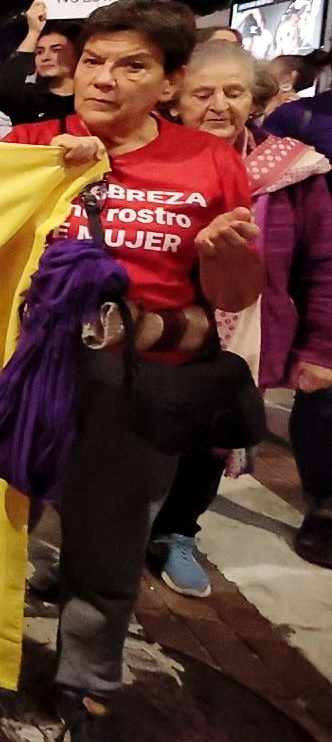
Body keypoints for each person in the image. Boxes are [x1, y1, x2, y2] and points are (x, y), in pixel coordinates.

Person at [5, 0, 261, 742]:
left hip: (135, 382)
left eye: (132, 66)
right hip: (24, 376)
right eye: (94, 61)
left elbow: (235, 295)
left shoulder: (211, 163)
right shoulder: (28, 143)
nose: (105, 80)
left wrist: (227, 255)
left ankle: (83, 680)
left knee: (108, 540)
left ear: (172, 82)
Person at [147, 41, 332, 586]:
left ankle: (178, 531)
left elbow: (323, 264)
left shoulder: (294, 171)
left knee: (211, 440)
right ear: (175, 101)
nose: (219, 104)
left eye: (233, 92)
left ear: (254, 101)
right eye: (202, 93)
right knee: (137, 439)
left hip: (241, 343)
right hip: (155, 332)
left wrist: (320, 351)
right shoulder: (144, 160)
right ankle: (115, 539)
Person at [0, 0, 79, 126]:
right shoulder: (29, 99)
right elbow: (5, 94)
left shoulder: (91, 100)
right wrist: (33, 33)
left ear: (78, 54)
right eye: (39, 52)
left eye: (56, 50)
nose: (45, 57)